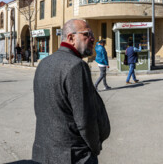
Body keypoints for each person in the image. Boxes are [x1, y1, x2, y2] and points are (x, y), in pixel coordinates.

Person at [32, 19, 110, 164]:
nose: (93, 38)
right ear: (71, 38)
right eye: (87, 34)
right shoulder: (76, 66)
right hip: (73, 156)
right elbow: (86, 120)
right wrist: (95, 148)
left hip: (43, 153)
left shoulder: (44, 63)